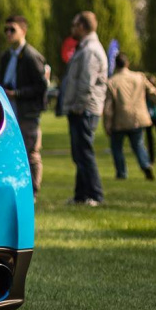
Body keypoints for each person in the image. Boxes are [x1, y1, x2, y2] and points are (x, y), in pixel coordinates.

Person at [58, 11, 108, 206]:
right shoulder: (84, 48)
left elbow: (86, 82)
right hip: (81, 108)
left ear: (82, 27)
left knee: (85, 152)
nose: (72, 29)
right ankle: (81, 195)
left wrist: (78, 106)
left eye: (74, 25)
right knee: (79, 153)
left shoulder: (90, 50)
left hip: (85, 109)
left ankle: (96, 195)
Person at [0, 14, 47, 197]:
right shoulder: (6, 56)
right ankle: (14, 189)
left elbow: (41, 87)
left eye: (12, 30)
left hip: (27, 113)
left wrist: (17, 93)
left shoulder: (32, 56)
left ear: (23, 31)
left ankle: (32, 192)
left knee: (31, 152)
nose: (8, 33)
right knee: (10, 151)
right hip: (9, 112)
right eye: (6, 30)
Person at [102, 53, 156, 181]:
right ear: (127, 63)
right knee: (138, 145)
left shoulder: (112, 82)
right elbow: (153, 93)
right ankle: (145, 165)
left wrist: (107, 124)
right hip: (137, 119)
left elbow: (108, 107)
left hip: (120, 121)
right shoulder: (139, 77)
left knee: (117, 148)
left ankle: (122, 173)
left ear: (116, 65)